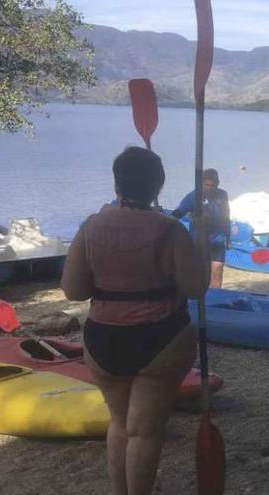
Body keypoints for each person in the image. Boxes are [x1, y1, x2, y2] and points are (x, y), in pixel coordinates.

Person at [61, 147, 209, 495]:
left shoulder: (90, 225)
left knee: (120, 423)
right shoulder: (170, 229)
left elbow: (73, 290)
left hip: (103, 340)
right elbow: (194, 287)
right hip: (159, 338)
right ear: (158, 184)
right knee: (144, 430)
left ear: (117, 182)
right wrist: (201, 238)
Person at [171, 168, 230, 288]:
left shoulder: (223, 195)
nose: (209, 188)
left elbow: (226, 216)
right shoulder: (193, 196)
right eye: (206, 185)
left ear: (217, 184)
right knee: (200, 274)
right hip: (199, 241)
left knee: (217, 271)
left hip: (218, 240)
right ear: (201, 183)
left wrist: (228, 237)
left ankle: (214, 298)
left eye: (212, 185)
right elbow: (177, 214)